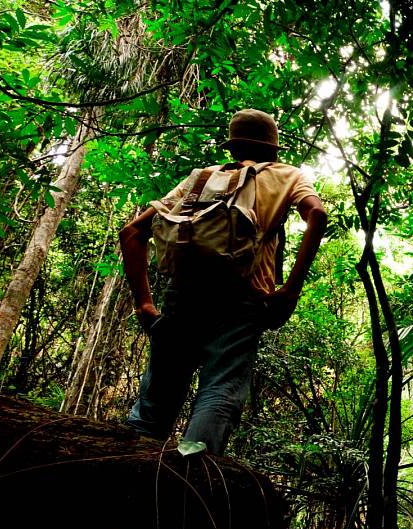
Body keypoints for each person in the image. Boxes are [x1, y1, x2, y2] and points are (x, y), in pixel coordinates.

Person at [119, 109, 327, 454]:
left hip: (182, 295)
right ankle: (193, 476)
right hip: (242, 301)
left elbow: (132, 232)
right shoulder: (288, 176)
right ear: (273, 149)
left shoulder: (202, 178)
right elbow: (316, 214)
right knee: (220, 388)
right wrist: (289, 290)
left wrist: (143, 302)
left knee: (159, 392)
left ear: (232, 148)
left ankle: (131, 462)